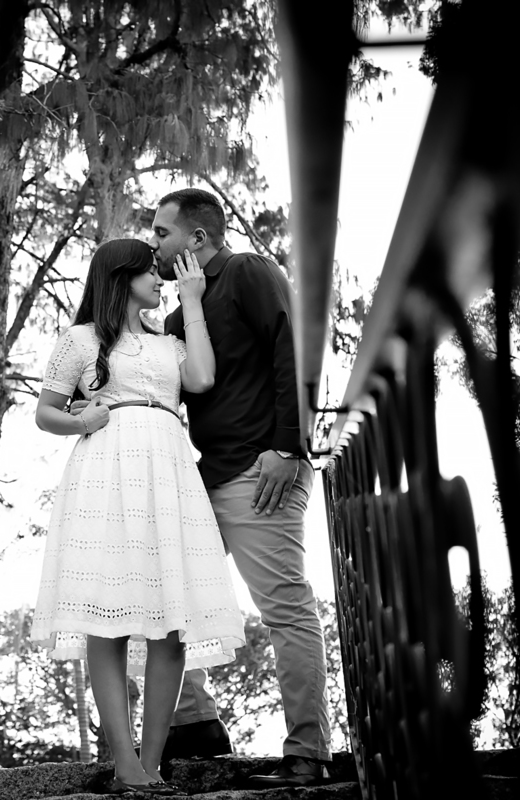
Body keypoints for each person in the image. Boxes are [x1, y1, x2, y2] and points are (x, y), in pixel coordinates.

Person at [31, 238, 245, 795]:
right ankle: (124, 764)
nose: (160, 280)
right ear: (120, 277)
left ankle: (151, 766)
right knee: (109, 621)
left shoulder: (170, 342)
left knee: (171, 623)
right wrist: (84, 421)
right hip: (105, 472)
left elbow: (202, 379)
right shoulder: (80, 339)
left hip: (168, 473)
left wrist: (192, 301)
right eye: (151, 272)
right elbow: (46, 412)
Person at [149, 188, 331, 787]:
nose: (154, 244)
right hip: (206, 476)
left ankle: (308, 753)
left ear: (197, 238)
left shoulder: (248, 271)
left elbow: (296, 348)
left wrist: (288, 446)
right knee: (159, 591)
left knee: (284, 609)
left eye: (161, 233)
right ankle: (195, 723)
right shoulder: (177, 319)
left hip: (262, 471)